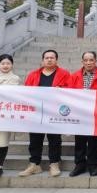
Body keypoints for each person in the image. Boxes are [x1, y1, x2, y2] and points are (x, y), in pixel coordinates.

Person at [19, 49, 71, 177]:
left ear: (56, 60)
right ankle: (34, 164)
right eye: (46, 58)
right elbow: (26, 92)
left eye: (52, 58)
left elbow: (71, 91)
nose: (49, 60)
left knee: (54, 139)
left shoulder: (64, 74)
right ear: (42, 60)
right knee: (35, 139)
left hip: (55, 112)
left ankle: (54, 163)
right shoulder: (33, 75)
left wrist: (61, 90)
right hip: (36, 112)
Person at [68, 51, 97, 177]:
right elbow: (68, 93)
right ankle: (79, 164)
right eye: (86, 60)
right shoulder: (74, 76)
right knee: (79, 140)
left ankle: (93, 165)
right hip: (79, 112)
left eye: (91, 60)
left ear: (95, 61)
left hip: (95, 112)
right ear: (82, 62)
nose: (88, 62)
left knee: (93, 140)